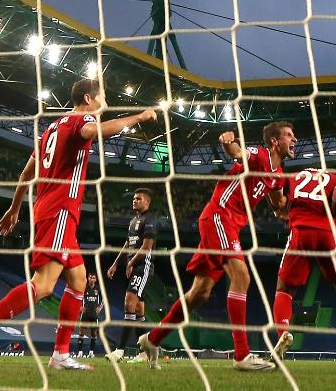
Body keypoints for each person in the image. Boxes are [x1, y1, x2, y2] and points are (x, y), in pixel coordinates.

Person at [0, 79, 157, 370]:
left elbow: (27, 173)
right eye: (104, 97)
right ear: (89, 98)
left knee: (78, 281)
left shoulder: (53, 128)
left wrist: (15, 208)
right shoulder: (82, 119)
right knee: (44, 285)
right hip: (61, 211)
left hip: (51, 210)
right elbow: (94, 130)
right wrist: (138, 117)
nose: (106, 103)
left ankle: (60, 354)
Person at [138, 123, 296, 371]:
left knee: (199, 293)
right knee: (241, 276)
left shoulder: (278, 173)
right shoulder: (260, 155)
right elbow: (237, 153)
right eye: (289, 135)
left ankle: (152, 339)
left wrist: (295, 203)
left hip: (228, 224)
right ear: (275, 142)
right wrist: (227, 142)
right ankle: (242, 356)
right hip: (219, 215)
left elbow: (279, 205)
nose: (294, 139)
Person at [270, 168, 336, 370]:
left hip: (300, 232)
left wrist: (281, 212)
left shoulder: (294, 177)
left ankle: (283, 332)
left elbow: (278, 200)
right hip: (328, 234)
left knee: (284, 290)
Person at [106, 188, 158, 363]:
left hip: (143, 267)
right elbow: (128, 243)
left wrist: (131, 262)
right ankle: (144, 352)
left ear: (147, 202)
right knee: (138, 311)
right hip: (135, 265)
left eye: (139, 198)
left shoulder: (150, 219)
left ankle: (120, 350)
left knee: (129, 302)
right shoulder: (133, 220)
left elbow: (147, 246)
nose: (135, 200)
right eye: (134, 198)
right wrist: (115, 263)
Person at [76, 273, 102, 358]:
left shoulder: (98, 289)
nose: (92, 279)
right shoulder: (84, 287)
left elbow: (104, 298)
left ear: (95, 279)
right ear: (88, 278)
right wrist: (80, 306)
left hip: (94, 315)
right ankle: (80, 352)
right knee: (81, 332)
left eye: (93, 278)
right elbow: (78, 297)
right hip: (85, 314)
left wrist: (100, 308)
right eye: (90, 278)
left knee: (94, 333)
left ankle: (91, 352)